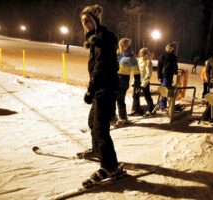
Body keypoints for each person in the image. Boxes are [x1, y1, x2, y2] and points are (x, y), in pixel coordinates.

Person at [79, 4, 124, 185]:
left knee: (100, 128)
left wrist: (91, 88)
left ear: (96, 20)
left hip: (105, 88)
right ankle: (97, 150)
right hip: (101, 88)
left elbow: (101, 66)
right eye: (84, 21)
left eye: (89, 20)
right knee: (92, 122)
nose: (86, 24)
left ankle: (110, 166)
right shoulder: (95, 39)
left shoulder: (102, 39)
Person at [115, 38, 143, 124]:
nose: (124, 47)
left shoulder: (131, 57)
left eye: (126, 45)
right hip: (114, 78)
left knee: (120, 99)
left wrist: (137, 81)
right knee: (112, 99)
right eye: (122, 45)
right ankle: (112, 117)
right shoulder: (118, 54)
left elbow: (136, 70)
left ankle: (123, 118)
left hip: (123, 80)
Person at [157, 43, 178, 111]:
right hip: (164, 76)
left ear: (172, 49)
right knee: (164, 90)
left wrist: (176, 71)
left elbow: (175, 65)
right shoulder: (163, 56)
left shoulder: (174, 56)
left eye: (171, 48)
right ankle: (162, 106)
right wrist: (159, 76)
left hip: (170, 76)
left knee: (168, 90)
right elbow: (159, 67)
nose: (169, 49)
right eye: (168, 48)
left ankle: (166, 105)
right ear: (166, 48)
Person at [137, 47, 154, 116]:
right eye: (140, 53)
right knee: (135, 95)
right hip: (138, 80)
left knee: (147, 95)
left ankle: (151, 109)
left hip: (144, 82)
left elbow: (149, 73)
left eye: (142, 53)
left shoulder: (148, 61)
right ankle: (136, 109)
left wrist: (144, 83)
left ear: (146, 54)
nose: (141, 54)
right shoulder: (139, 60)